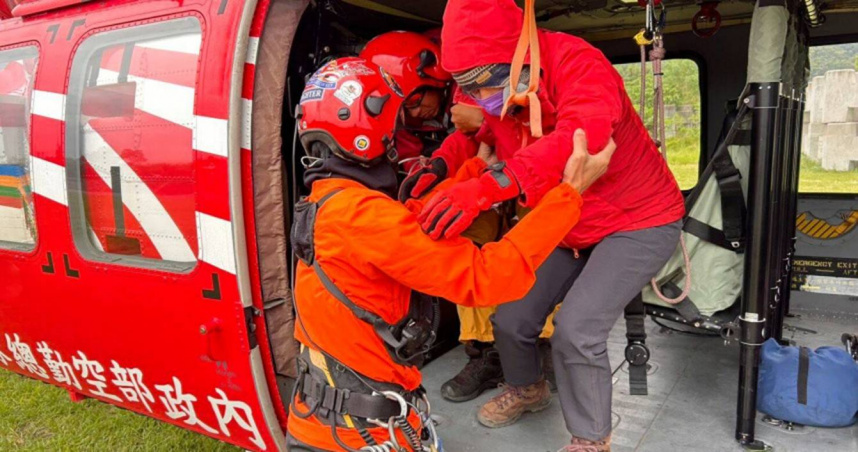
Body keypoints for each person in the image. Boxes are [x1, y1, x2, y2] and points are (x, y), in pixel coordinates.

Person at [285, 57, 615, 452]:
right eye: (394, 128)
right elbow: (486, 276)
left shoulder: (330, 203)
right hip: (360, 435)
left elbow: (408, 226)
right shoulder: (361, 217)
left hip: (338, 418)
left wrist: (475, 173)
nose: (396, 139)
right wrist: (569, 195)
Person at [413, 1, 687, 451]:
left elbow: (584, 139)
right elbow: (478, 134)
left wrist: (489, 187)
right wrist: (437, 166)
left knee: (577, 329)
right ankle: (529, 389)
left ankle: (591, 440)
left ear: (520, 53)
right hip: (569, 219)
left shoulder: (578, 62)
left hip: (638, 217)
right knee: (511, 317)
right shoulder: (497, 86)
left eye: (486, 81)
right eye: (468, 86)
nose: (481, 96)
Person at [363, 30, 562, 403]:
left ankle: (542, 345)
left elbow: (549, 127)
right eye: (406, 108)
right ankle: (485, 351)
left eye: (414, 101)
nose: (414, 114)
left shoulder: (513, 72)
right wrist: (440, 164)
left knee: (542, 245)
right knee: (461, 241)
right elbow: (465, 138)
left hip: (531, 176)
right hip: (485, 181)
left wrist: (483, 121)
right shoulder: (462, 94)